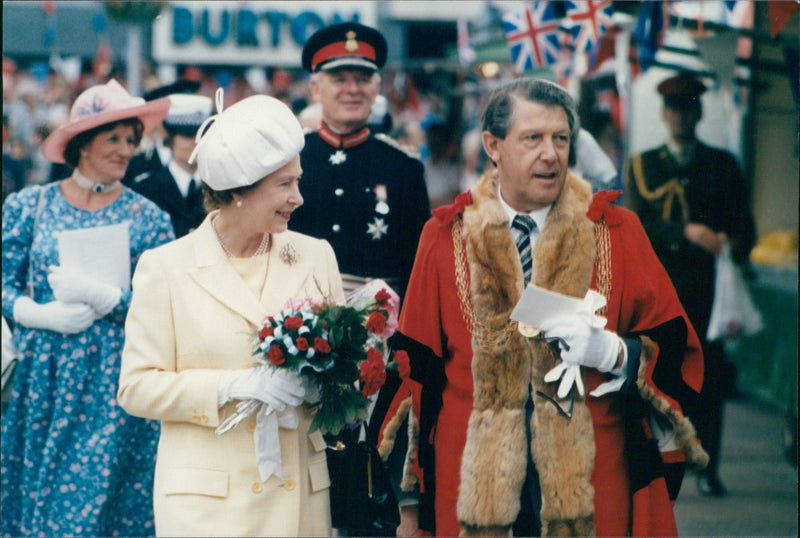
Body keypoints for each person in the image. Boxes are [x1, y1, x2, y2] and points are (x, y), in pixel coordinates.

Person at [376, 78, 709, 537]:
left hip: (591, 488)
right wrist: (410, 504)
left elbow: (679, 350)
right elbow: (414, 375)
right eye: (532, 138)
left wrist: (616, 354)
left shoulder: (617, 232)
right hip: (472, 489)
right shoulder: (444, 237)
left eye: (561, 138)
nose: (550, 154)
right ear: (493, 145)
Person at [117, 91, 344, 537]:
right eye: (283, 185)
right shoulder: (166, 267)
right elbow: (136, 387)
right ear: (238, 190)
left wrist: (336, 375)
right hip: (208, 506)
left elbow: (341, 383)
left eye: (297, 181)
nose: (298, 198)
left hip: (299, 497)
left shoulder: (316, 256)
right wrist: (231, 386)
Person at [1, 78, 175, 537]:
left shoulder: (150, 219)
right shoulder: (30, 206)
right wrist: (30, 312)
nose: (125, 150)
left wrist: (112, 301)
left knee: (96, 508)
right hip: (42, 381)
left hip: (111, 384)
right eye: (113, 138)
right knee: (37, 502)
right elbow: (2, 279)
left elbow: (167, 307)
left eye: (131, 140)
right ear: (82, 144)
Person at [624, 71, 756, 498]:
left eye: (688, 108)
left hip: (708, 294)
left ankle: (706, 466)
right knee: (660, 379)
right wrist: (686, 231)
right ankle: (659, 463)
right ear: (664, 114)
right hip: (661, 294)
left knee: (709, 382)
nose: (681, 116)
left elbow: (745, 229)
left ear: (698, 111)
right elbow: (637, 225)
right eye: (674, 108)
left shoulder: (722, 165)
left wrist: (729, 242)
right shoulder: (644, 165)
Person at [290, 22, 431, 301]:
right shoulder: (291, 157)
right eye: (339, 79)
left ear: (376, 88)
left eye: (363, 79)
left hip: (378, 328)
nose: (353, 89)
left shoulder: (404, 167)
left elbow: (417, 267)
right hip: (295, 321)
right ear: (316, 89)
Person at [127, 92, 213, 238]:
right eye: (187, 136)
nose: (196, 143)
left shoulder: (219, 187)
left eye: (202, 135)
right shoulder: (146, 188)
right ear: (170, 140)